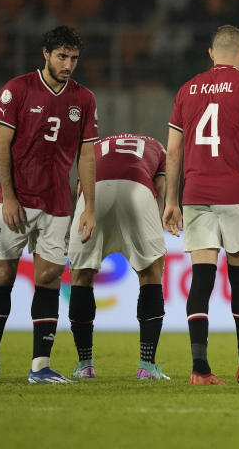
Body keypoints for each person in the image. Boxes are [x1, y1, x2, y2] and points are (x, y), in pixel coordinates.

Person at [163, 25, 239, 386]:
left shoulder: (187, 89)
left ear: (211, 54)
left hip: (196, 194)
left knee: (201, 281)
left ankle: (200, 369)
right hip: (236, 195)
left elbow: (172, 150)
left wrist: (171, 199)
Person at [0, 26, 98, 384]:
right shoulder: (16, 90)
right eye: (62, 56)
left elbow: (87, 156)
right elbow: (2, 148)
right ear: (45, 53)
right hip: (17, 202)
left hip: (58, 204)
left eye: (74, 58)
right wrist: (9, 196)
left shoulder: (84, 99)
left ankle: (40, 366)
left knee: (47, 280)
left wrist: (88, 206)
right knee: (3, 276)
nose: (68, 64)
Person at [67, 133, 171, 381]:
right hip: (137, 190)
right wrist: (157, 217)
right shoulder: (158, 147)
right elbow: (159, 188)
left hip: (95, 191)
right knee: (150, 274)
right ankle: (147, 366)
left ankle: (85, 365)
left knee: (81, 276)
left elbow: (80, 185)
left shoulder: (98, 145)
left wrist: (84, 213)